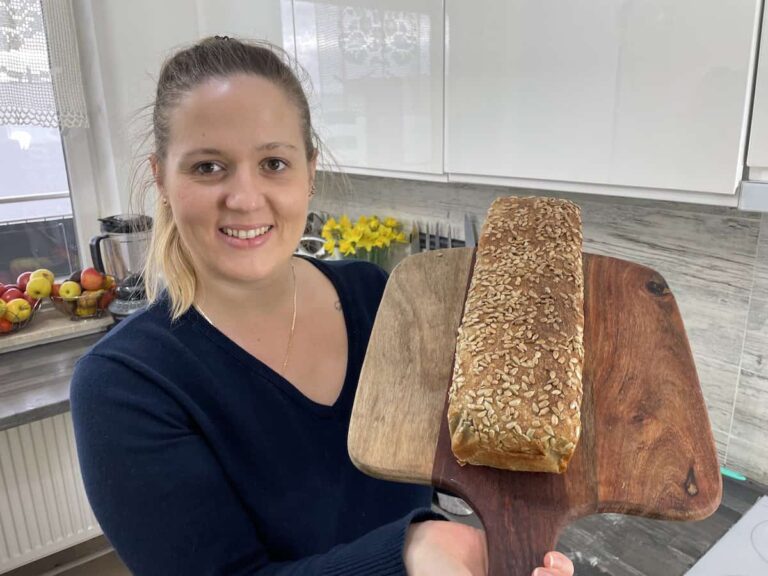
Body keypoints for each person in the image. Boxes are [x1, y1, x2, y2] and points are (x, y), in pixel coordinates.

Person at [70, 36, 575, 576]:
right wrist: (412, 551)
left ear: (309, 172)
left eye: (273, 162)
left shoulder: (373, 296)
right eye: (208, 167)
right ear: (161, 178)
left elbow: (459, 456)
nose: (244, 197)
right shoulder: (126, 385)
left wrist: (503, 545)